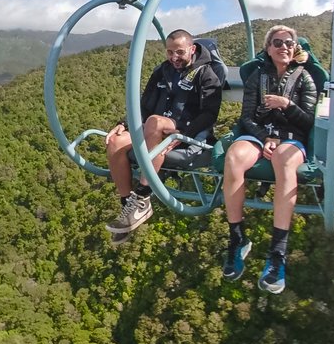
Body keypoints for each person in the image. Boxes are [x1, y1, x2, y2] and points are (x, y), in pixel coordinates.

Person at [221, 24, 320, 294]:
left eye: (289, 42)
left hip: (292, 138)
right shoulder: (257, 77)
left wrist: (287, 106)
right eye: (277, 42)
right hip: (261, 135)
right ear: (268, 48)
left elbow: (309, 121)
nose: (284, 47)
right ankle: (237, 239)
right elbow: (247, 116)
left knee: (284, 162)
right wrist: (264, 136)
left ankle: (277, 254)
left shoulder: (304, 78)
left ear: (295, 47)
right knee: (234, 158)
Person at [104, 29, 223, 239]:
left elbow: (210, 113)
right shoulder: (163, 71)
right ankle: (129, 206)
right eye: (169, 52)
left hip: (185, 133)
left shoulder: (206, 74)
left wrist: (186, 132)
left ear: (192, 49)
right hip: (153, 129)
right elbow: (145, 104)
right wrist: (123, 123)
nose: (174, 58)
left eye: (179, 52)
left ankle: (143, 194)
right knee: (115, 141)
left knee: (155, 122)